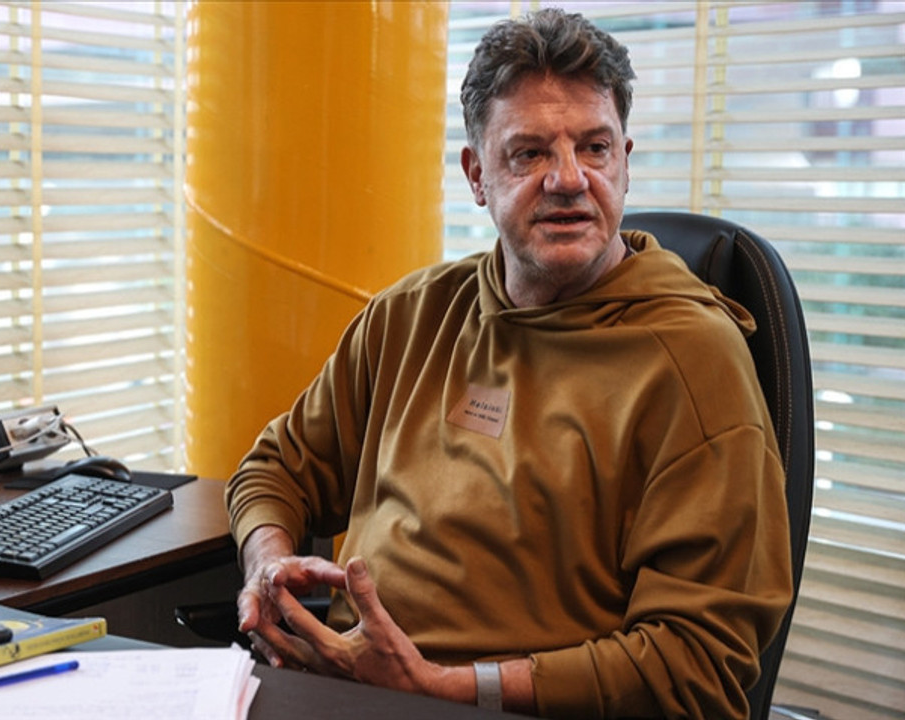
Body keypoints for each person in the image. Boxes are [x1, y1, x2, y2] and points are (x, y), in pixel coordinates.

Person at [226, 8, 792, 719]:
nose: (569, 180)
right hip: (345, 690)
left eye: (595, 148)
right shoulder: (414, 314)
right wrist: (268, 560)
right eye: (529, 153)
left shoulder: (693, 362)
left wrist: (442, 687)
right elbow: (275, 467)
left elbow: (698, 663)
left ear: (625, 161)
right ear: (476, 175)